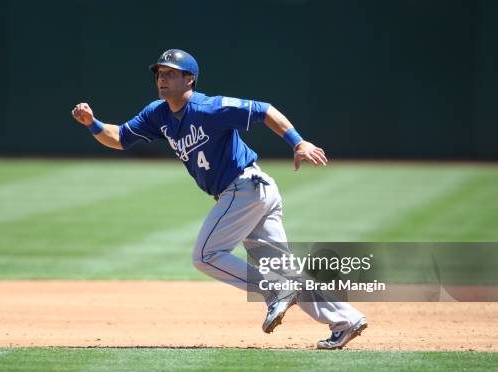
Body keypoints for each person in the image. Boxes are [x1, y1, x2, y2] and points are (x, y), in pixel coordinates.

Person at [72, 49, 367, 349]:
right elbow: (120, 137)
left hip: (245, 187)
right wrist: (92, 123)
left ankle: (276, 289)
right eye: (159, 73)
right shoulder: (157, 114)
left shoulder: (208, 108)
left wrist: (298, 142)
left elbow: (264, 110)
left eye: (171, 73)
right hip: (251, 193)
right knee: (283, 269)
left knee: (205, 256)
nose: (162, 79)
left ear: (190, 79)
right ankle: (346, 319)